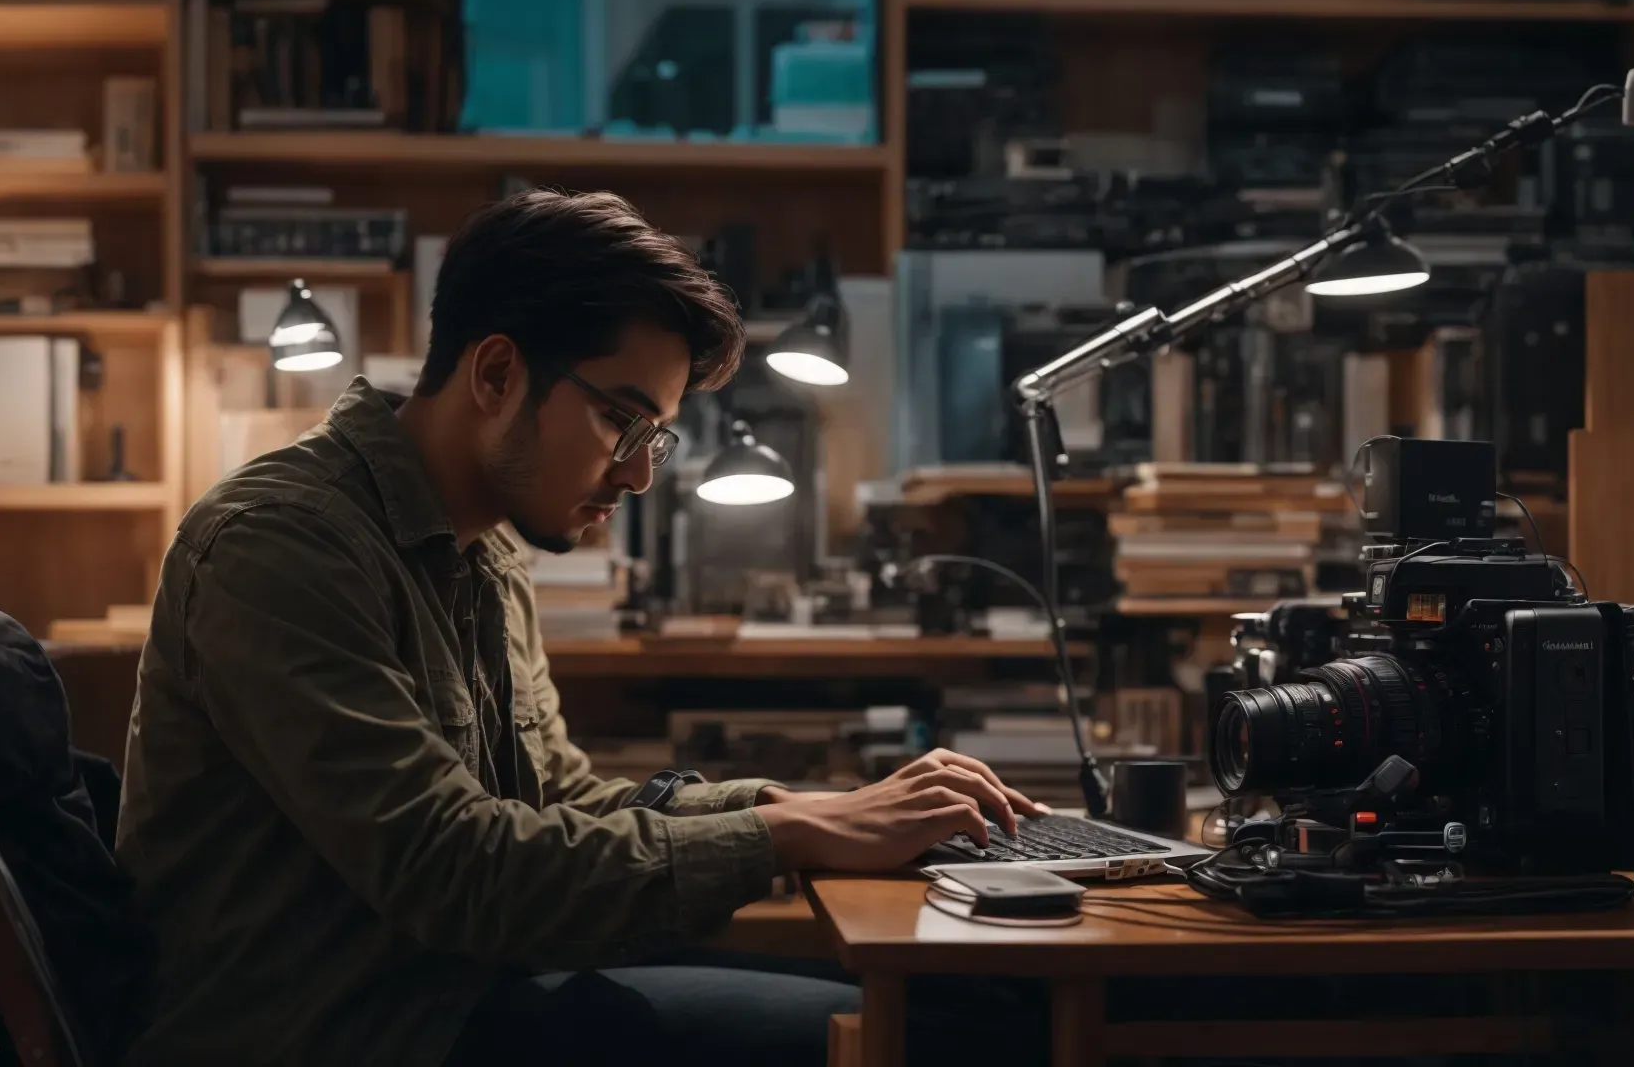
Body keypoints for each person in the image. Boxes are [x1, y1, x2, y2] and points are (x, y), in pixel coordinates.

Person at [117, 188, 1050, 1067]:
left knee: (978, 1002)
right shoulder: (280, 546)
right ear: (495, 372)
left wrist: (801, 808)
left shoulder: (482, 549)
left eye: (656, 437)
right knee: (933, 1041)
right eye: (620, 421)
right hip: (347, 1034)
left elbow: (554, 803)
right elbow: (457, 872)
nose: (639, 475)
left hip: (462, 998)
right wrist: (794, 835)